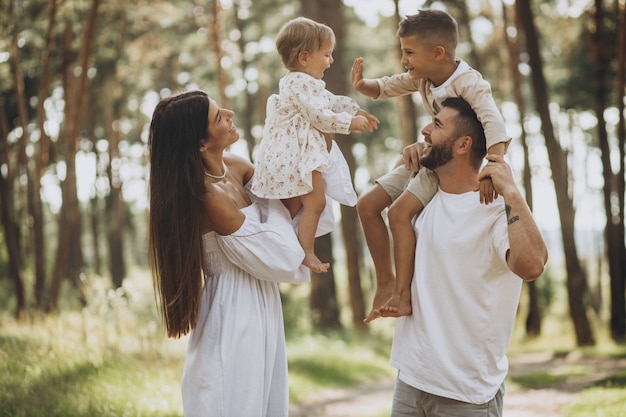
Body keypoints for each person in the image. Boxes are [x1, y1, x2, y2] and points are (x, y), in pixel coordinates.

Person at [148, 90, 311, 417]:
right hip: (233, 311)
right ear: (201, 143)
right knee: (233, 401)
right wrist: (273, 207)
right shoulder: (208, 197)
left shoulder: (236, 168)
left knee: (266, 402)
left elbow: (295, 196)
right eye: (218, 116)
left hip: (263, 303)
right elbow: (280, 257)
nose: (230, 114)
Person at [384, 97, 547, 416]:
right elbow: (385, 208)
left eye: (437, 124)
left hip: (467, 394)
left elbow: (532, 266)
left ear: (463, 144)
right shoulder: (424, 198)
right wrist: (405, 159)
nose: (424, 129)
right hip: (412, 381)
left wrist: (512, 192)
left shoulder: (498, 209)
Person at [351, 9, 510, 322]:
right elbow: (390, 85)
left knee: (398, 214)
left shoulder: (468, 82)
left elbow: (492, 119)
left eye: (409, 52)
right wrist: (363, 85)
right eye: (402, 52)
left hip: (455, 162)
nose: (404, 60)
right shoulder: (423, 77)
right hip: (429, 154)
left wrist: (493, 165)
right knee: (367, 205)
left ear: (438, 53)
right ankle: (384, 282)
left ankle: (402, 293)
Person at [251, 17, 379, 273]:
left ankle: (292, 245)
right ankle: (305, 251)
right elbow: (318, 115)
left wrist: (356, 110)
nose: (330, 61)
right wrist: (349, 123)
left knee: (304, 206)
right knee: (315, 203)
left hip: (300, 155)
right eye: (327, 54)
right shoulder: (297, 83)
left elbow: (329, 101)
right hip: (295, 157)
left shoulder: (306, 84)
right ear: (305, 58)